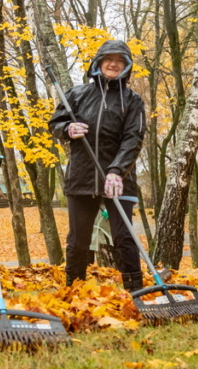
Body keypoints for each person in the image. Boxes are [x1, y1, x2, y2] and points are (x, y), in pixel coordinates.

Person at [48, 39, 146, 291]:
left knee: (124, 237)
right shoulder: (77, 95)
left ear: (126, 66)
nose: (113, 64)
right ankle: (75, 289)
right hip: (81, 177)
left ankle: (135, 290)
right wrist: (67, 128)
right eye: (108, 59)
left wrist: (116, 171)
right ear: (98, 63)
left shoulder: (132, 100)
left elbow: (133, 138)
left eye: (120, 60)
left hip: (119, 179)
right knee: (78, 240)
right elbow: (54, 124)